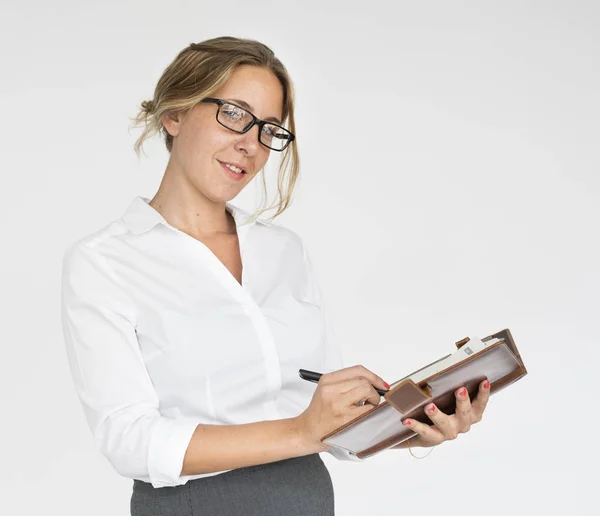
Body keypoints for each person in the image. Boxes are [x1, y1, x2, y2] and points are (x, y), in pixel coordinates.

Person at [60, 36, 491, 516]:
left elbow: (326, 426)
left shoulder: (283, 251)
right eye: (234, 114)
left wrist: (419, 423)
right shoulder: (105, 262)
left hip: (304, 494)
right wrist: (300, 432)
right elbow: (129, 440)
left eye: (269, 128)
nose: (251, 144)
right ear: (175, 114)